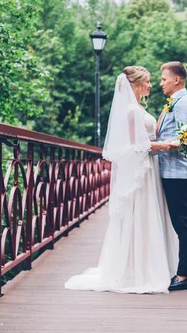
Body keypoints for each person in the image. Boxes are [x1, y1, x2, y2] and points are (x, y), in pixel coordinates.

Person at [65, 66, 179, 294]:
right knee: (140, 215)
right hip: (142, 171)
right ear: (135, 85)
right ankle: (137, 270)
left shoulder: (136, 108)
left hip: (150, 168)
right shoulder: (130, 111)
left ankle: (150, 266)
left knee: (148, 214)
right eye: (146, 82)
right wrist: (160, 145)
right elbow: (132, 146)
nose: (150, 85)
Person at [156, 61, 187, 291]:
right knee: (180, 221)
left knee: (182, 222)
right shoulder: (175, 102)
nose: (160, 83)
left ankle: (184, 275)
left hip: (178, 172)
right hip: (171, 171)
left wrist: (155, 146)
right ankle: (182, 272)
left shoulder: (183, 103)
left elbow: (186, 140)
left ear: (176, 80)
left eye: (164, 79)